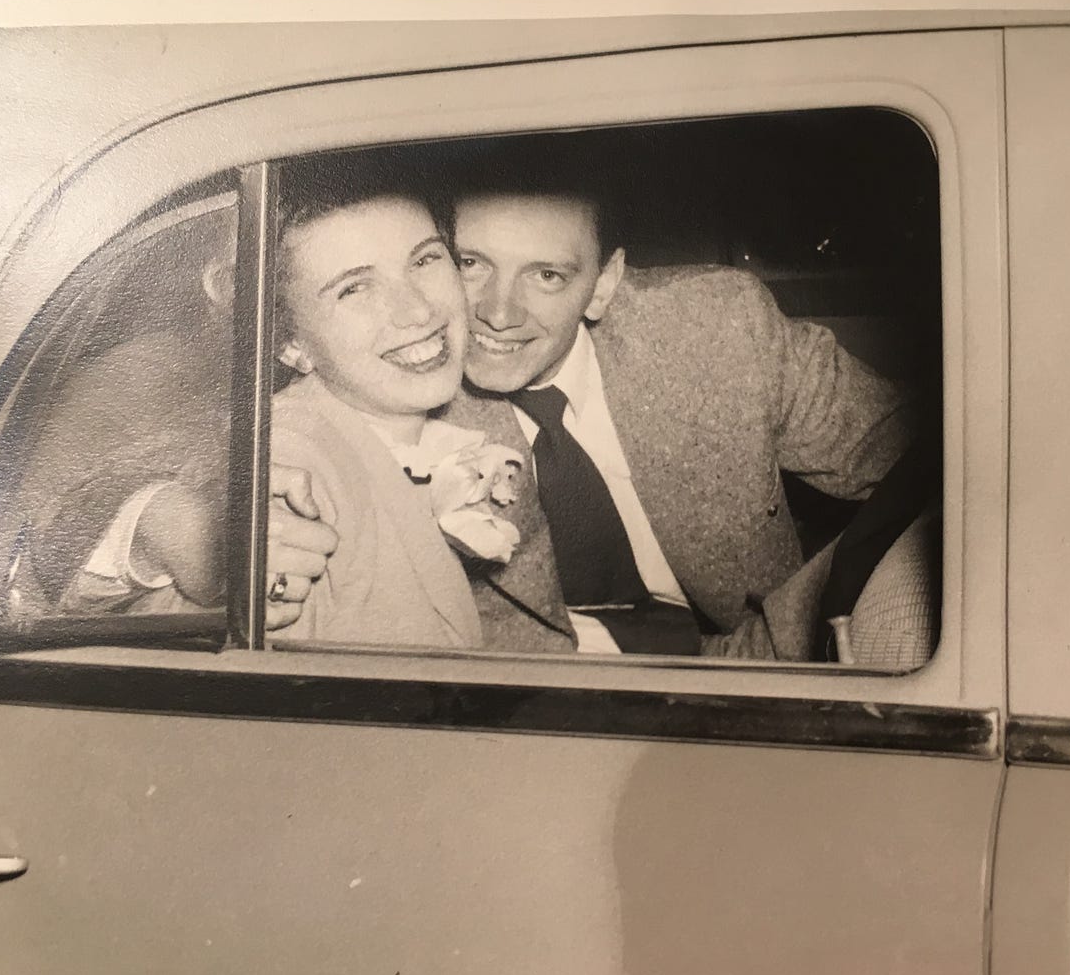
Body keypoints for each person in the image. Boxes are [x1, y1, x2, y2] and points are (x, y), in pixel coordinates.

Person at [270, 175, 918, 659]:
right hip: (549, 713)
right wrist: (176, 515)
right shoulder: (397, 382)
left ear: (604, 284)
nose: (498, 313)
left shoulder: (719, 330)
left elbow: (943, 453)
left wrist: (829, 612)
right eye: (470, 263)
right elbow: (267, 440)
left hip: (766, 665)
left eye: (547, 275)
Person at [266, 187, 522, 647]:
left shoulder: (440, 422)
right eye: (354, 288)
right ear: (292, 345)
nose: (418, 310)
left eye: (424, 260)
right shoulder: (294, 462)